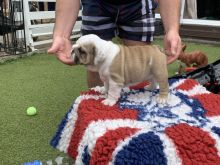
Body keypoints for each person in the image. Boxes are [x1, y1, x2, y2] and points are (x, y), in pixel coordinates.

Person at [48, 0, 182, 88]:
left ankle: (138, 116)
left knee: (140, 62)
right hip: (96, 3)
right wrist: (62, 35)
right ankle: (99, 114)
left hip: (137, 4)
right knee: (94, 61)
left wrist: (172, 29)